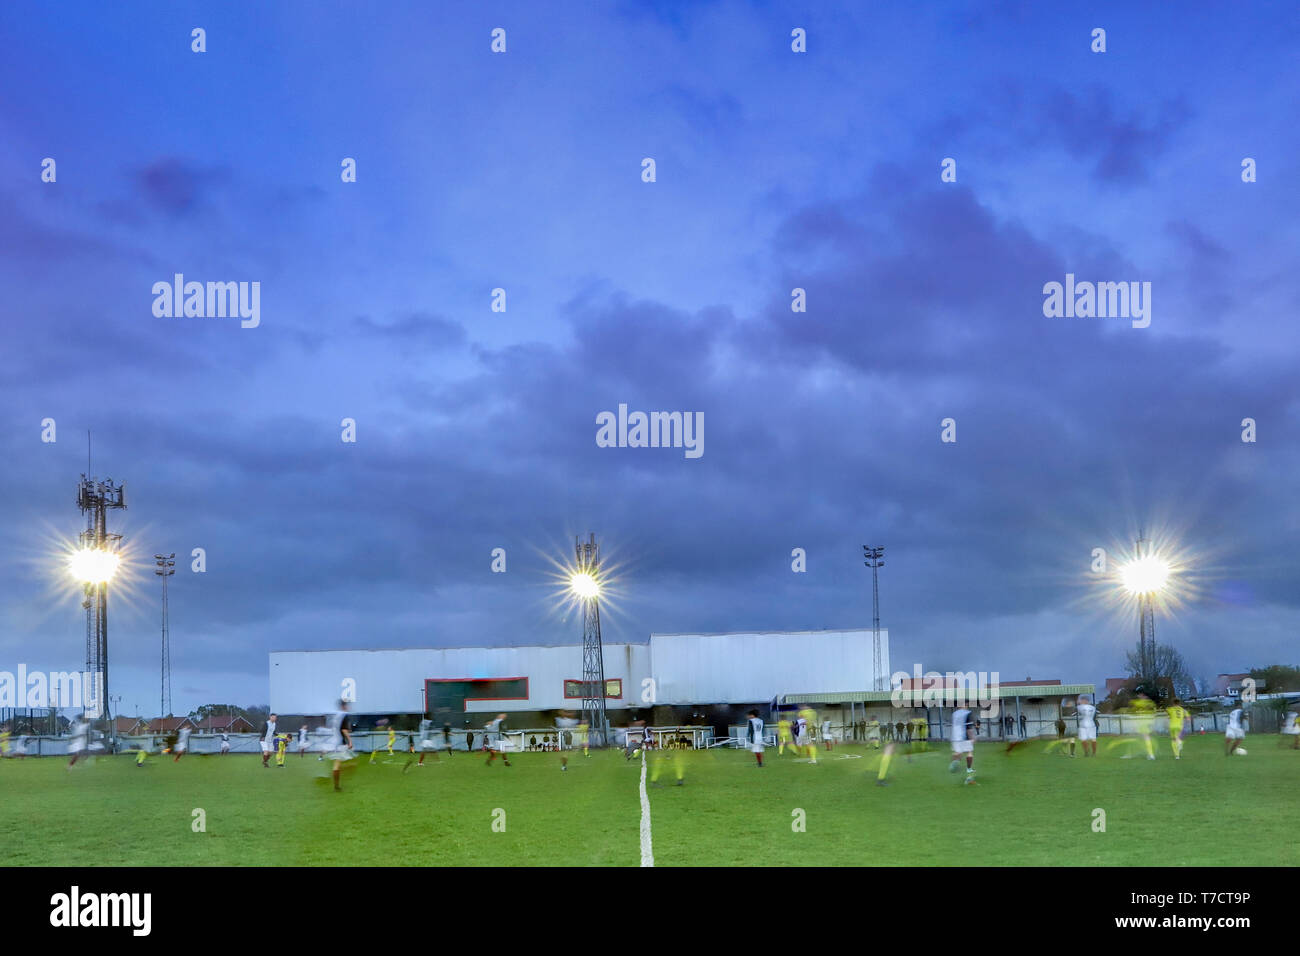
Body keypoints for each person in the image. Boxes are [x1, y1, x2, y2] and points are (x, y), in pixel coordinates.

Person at [323, 700, 354, 790]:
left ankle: (336, 785)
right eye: (347, 706)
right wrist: (350, 741)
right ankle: (336, 785)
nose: (348, 707)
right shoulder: (344, 715)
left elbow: (336, 728)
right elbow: (344, 730)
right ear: (344, 706)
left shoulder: (336, 716)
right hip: (341, 744)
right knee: (346, 763)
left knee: (337, 764)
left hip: (335, 743)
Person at [949, 707, 978, 784]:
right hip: (964, 736)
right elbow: (968, 727)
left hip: (955, 737)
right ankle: (969, 771)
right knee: (969, 752)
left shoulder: (954, 714)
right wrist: (972, 737)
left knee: (958, 752)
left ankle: (955, 761)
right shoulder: (967, 713)